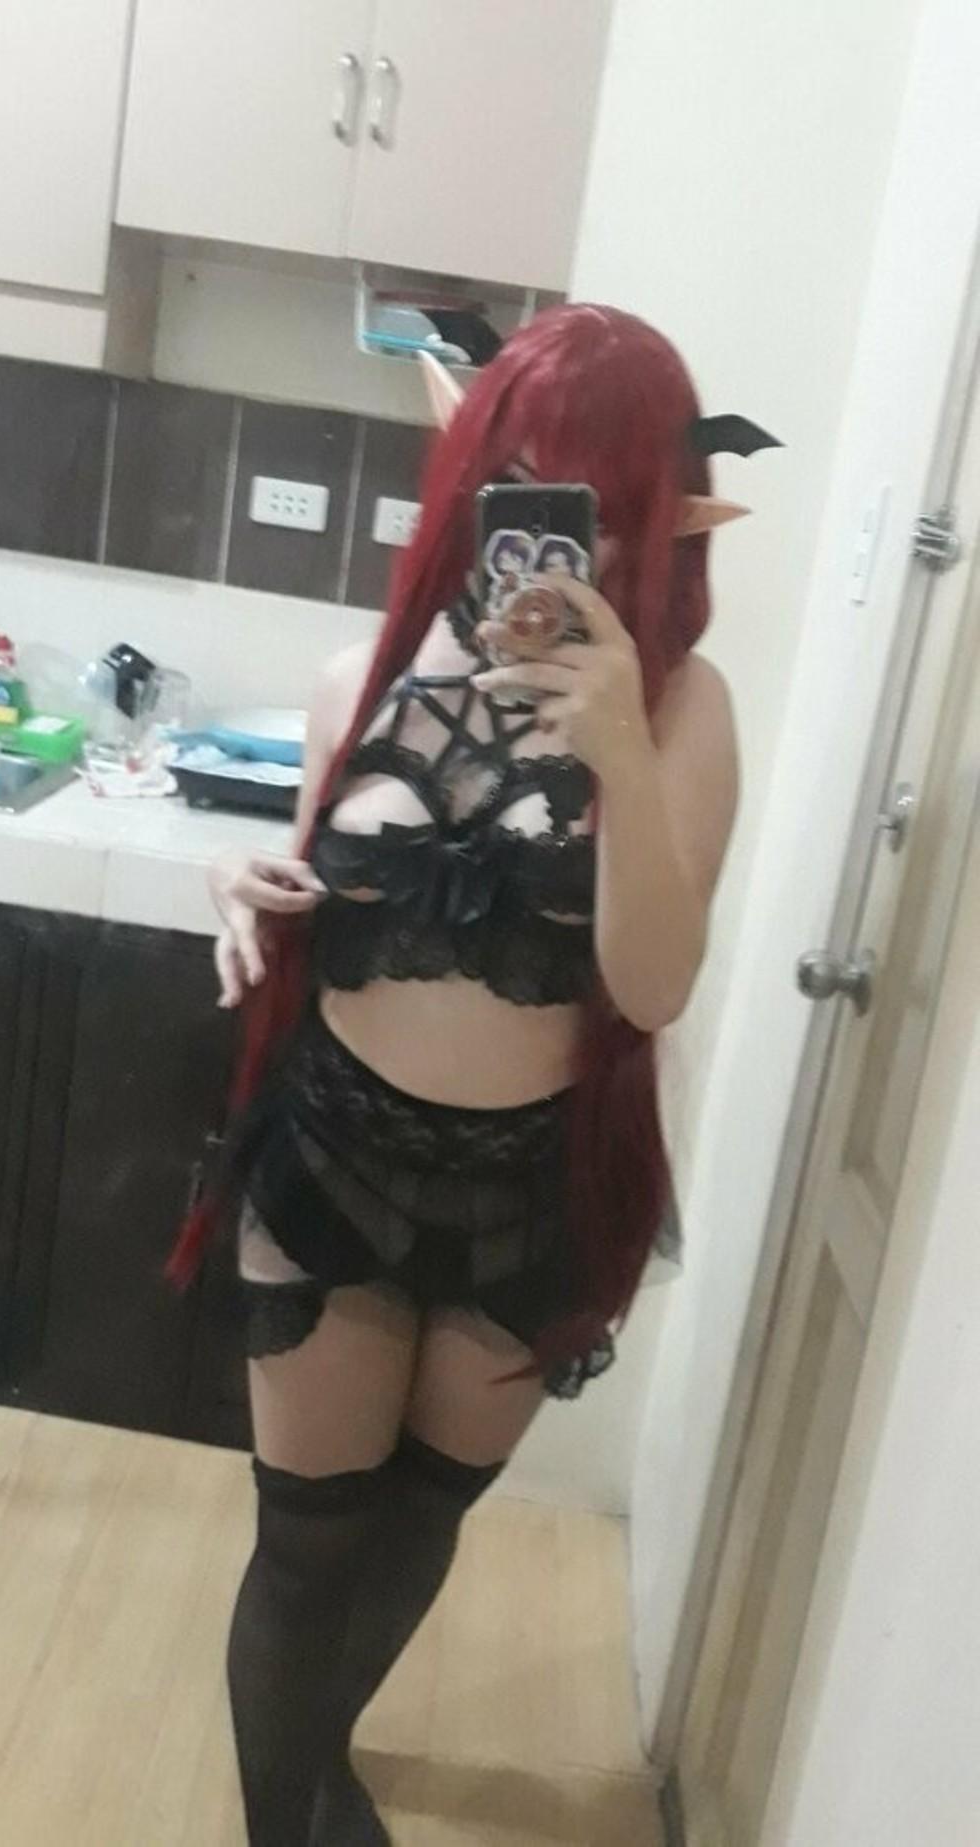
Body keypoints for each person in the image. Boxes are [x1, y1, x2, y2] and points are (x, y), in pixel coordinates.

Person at [172, 305, 771, 1844]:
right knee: (308, 1543)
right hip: (334, 1158)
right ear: (473, 486)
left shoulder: (686, 710)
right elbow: (314, 887)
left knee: (417, 1523)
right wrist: (248, 889)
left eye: (594, 506)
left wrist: (619, 750)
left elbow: (653, 988)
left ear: (657, 516)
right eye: (521, 489)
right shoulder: (361, 674)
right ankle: (286, 1817)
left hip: (534, 1193)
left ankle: (321, 1760)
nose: (551, 545)